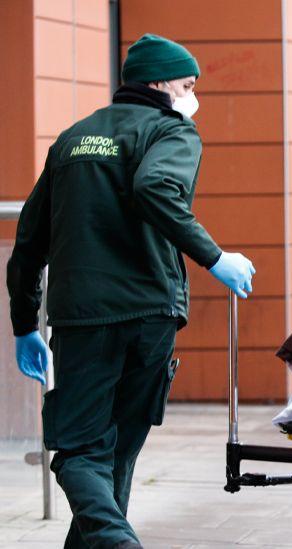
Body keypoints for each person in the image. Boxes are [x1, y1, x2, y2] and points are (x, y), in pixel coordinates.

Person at [8, 34, 256, 549]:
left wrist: (24, 323)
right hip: (150, 315)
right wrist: (215, 257)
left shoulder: (72, 140)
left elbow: (29, 241)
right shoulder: (171, 132)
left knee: (86, 452)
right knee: (99, 454)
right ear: (159, 83)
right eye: (187, 85)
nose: (193, 98)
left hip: (84, 320)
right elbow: (154, 188)